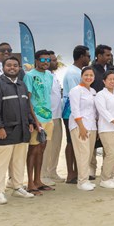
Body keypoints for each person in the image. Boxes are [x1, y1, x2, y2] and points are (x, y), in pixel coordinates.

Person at [0, 56, 37, 204]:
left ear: (19, 67)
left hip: (22, 131)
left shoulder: (22, 85)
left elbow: (27, 107)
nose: (12, 68)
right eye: (9, 65)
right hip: (4, 132)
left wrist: (30, 122)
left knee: (19, 161)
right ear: (3, 67)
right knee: (0, 163)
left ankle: (18, 187)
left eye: (15, 65)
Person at [23, 50, 54, 195]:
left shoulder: (49, 75)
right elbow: (27, 99)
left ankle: (38, 180)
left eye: (48, 60)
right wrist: (34, 120)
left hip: (48, 117)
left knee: (42, 149)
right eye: (43, 60)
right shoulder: (29, 76)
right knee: (33, 150)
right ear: (36, 60)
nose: (46, 62)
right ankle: (30, 182)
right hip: (37, 118)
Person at [62, 45, 90, 184]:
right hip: (70, 113)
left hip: (74, 112)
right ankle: (71, 173)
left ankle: (78, 171)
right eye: (88, 56)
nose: (90, 59)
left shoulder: (77, 71)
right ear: (81, 57)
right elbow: (76, 95)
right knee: (71, 142)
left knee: (75, 142)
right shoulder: (74, 73)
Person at [69, 66, 99, 191]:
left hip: (91, 126)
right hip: (79, 126)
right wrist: (81, 127)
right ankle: (81, 181)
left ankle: (85, 179)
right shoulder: (76, 90)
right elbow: (75, 109)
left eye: (91, 75)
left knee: (88, 154)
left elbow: (94, 111)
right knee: (82, 153)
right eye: (86, 75)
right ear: (81, 76)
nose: (89, 77)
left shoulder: (92, 91)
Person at [41, 51, 65, 186]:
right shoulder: (42, 77)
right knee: (46, 147)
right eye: (53, 60)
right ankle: (43, 174)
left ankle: (52, 171)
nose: (56, 62)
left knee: (56, 146)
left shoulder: (54, 76)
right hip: (46, 117)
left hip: (57, 116)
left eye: (56, 60)